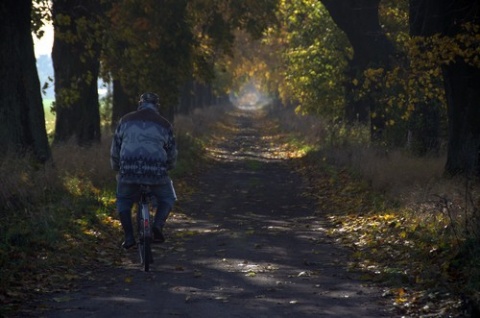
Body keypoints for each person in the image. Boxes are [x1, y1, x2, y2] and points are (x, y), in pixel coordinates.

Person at [110, 92, 177, 249]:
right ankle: (158, 226)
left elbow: (116, 149)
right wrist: (168, 167)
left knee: (123, 200)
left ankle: (128, 237)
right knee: (168, 198)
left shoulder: (125, 121)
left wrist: (116, 168)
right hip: (156, 173)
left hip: (128, 171)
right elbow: (172, 152)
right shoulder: (165, 124)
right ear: (157, 106)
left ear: (140, 104)